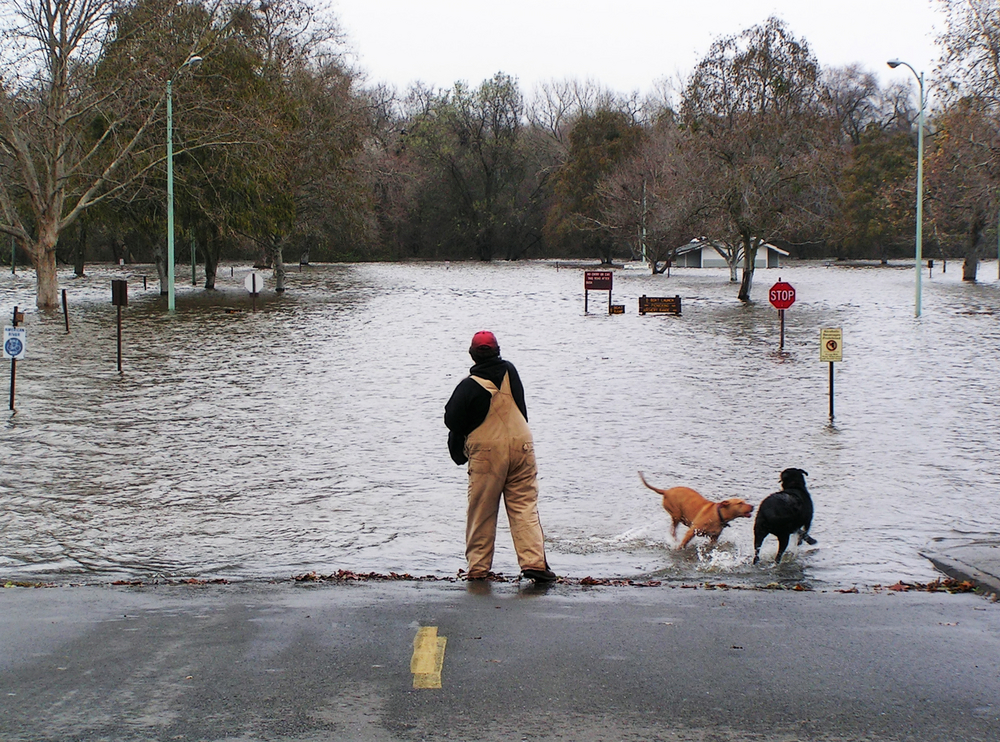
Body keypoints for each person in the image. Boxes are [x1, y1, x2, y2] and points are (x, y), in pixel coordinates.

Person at [444, 331, 557, 582]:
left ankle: (478, 568)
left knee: (482, 511)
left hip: (487, 453)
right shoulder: (510, 371)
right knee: (524, 507)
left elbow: (451, 420)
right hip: (522, 445)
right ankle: (534, 563)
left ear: (472, 354)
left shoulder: (467, 386)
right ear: (498, 351)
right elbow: (521, 406)